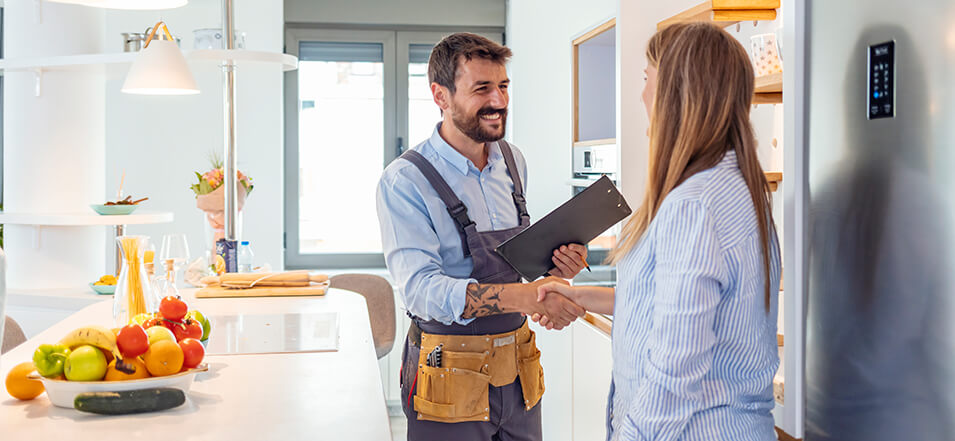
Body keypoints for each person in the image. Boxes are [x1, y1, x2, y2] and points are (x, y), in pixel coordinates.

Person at [536, 23, 782, 440]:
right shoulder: (738, 187)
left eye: (647, 80)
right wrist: (580, 296)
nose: (642, 96)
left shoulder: (693, 206)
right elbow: (670, 307)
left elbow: (676, 369)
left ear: (677, 94)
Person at [376, 33, 588, 441]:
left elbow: (515, 263)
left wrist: (556, 264)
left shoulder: (513, 161)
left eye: (503, 86)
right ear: (440, 95)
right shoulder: (405, 180)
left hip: (518, 369)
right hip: (447, 375)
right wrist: (524, 297)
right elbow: (421, 291)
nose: (499, 101)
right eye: (482, 89)